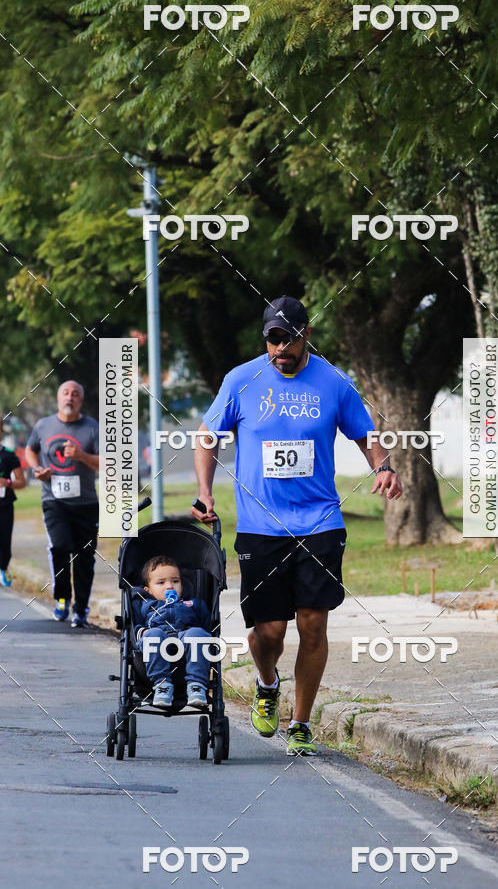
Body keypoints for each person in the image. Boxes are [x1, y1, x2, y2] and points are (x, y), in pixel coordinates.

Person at [191, 296, 403, 756]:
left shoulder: (333, 381)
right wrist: (205, 492)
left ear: (306, 334)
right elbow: (207, 438)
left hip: (320, 522)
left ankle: (301, 722)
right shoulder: (241, 380)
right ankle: (267, 683)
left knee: (313, 625)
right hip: (260, 527)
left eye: (289, 339)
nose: (281, 349)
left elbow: (366, 434)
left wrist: (383, 467)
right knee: (269, 632)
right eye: (273, 340)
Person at [25, 381, 99, 628]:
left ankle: (81, 608)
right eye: (65, 393)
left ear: (81, 400)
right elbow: (30, 450)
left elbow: (108, 462)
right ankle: (61, 599)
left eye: (75, 394)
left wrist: (81, 456)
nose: (70, 397)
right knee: (59, 547)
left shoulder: (92, 427)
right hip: (54, 500)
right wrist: (37, 468)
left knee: (84, 556)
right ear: (58, 398)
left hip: (86, 503)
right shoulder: (43, 425)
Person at [132, 556, 212, 708]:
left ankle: (196, 685)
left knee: (197, 634)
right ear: (148, 589)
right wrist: (144, 632)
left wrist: (203, 632)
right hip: (157, 640)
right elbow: (135, 627)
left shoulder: (192, 603)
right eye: (161, 583)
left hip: (186, 636)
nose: (169, 586)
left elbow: (207, 625)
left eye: (175, 581)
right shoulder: (144, 604)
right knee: (152, 635)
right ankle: (162, 684)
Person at [0, 417, 26, 587]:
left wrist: (7, 483)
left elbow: (22, 482)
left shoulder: (9, 455)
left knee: (4, 542)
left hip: (4, 506)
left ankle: (3, 567)